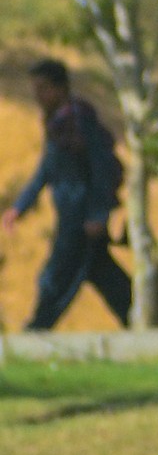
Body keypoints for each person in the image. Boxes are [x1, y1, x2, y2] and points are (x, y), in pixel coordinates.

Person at [1, 59, 130, 330]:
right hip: (72, 215)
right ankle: (145, 322)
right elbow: (46, 170)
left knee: (55, 278)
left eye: (43, 88)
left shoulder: (78, 120)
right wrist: (19, 207)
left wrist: (97, 214)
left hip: (82, 218)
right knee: (103, 275)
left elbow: (101, 168)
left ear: (60, 88)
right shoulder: (56, 123)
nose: (38, 96)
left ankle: (36, 333)